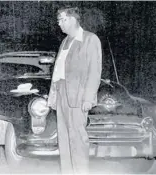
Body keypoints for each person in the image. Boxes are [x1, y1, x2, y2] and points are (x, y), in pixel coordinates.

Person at [47, 6, 103, 174]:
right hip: (62, 93)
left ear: (73, 19)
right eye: (58, 21)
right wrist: (53, 95)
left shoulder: (90, 39)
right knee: (63, 139)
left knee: (77, 139)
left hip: (78, 96)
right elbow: (57, 71)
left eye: (63, 20)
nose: (59, 24)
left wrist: (88, 98)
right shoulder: (65, 42)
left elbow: (95, 70)